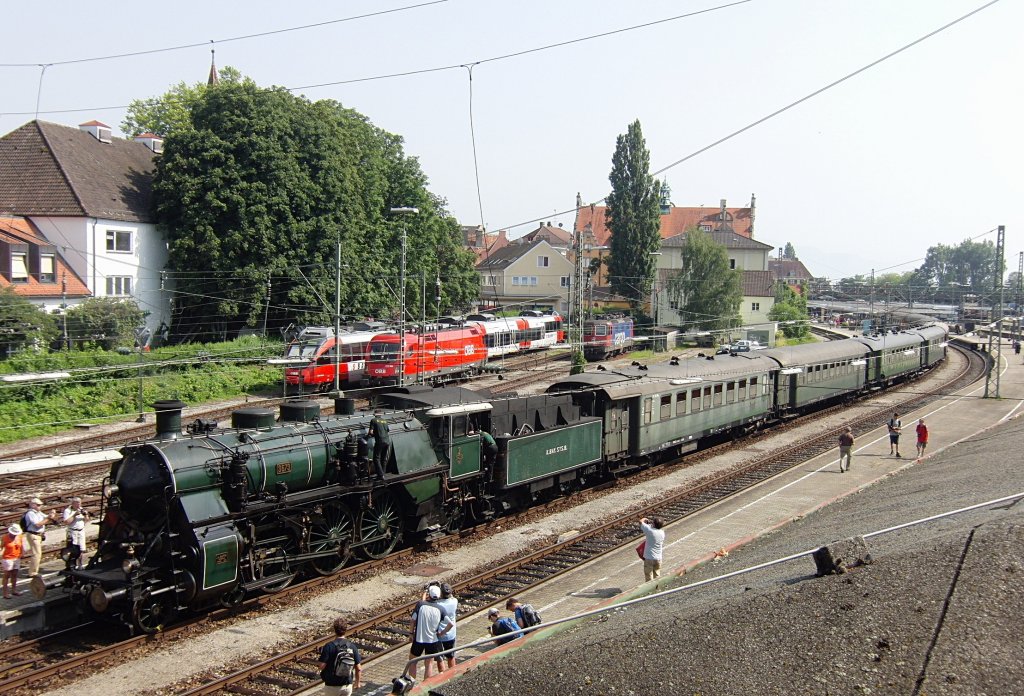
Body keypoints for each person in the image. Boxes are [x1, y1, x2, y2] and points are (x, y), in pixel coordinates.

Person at [408, 583, 453, 680]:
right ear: (439, 595)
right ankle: (425, 685)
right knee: (429, 664)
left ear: (430, 594)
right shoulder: (441, 609)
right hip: (432, 641)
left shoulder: (420, 605)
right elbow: (450, 624)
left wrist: (411, 633)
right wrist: (442, 633)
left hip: (419, 639)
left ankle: (411, 685)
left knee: (412, 662)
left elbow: (412, 621)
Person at [317, 617, 362, 695]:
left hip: (331, 686)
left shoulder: (329, 646)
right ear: (345, 630)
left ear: (334, 630)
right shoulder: (351, 646)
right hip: (347, 685)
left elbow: (321, 666)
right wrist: (357, 683)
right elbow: (358, 668)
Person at [23, 497, 59, 578]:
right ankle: (32, 573)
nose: (40, 507)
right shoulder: (31, 513)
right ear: (33, 505)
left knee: (37, 553)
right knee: (36, 554)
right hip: (33, 535)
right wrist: (49, 518)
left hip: (38, 535)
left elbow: (47, 517)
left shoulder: (38, 512)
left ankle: (34, 570)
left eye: (40, 505)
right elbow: (38, 524)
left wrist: (52, 515)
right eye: (38, 505)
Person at [436, 583, 459, 670]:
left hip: (439, 634)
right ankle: (452, 673)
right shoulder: (454, 601)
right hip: (451, 634)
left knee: (440, 659)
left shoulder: (437, 604)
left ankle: (442, 676)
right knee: (451, 656)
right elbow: (452, 597)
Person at [62, 497, 90, 568]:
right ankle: (71, 564)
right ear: (73, 503)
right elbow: (67, 522)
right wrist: (74, 515)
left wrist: (86, 515)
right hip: (72, 532)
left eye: (79, 503)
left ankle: (80, 564)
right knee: (73, 549)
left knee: (81, 549)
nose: (78, 505)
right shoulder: (67, 511)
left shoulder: (81, 509)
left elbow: (87, 520)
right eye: (77, 503)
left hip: (81, 531)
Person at [639, 516, 666, 581]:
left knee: (649, 577)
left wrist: (645, 519)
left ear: (653, 524)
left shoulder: (650, 531)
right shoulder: (662, 533)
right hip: (658, 558)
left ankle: (649, 589)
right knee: (657, 575)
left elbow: (640, 522)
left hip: (649, 558)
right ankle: (657, 588)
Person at [2, 524, 24, 598]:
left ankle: (14, 590)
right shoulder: (5, 538)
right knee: (7, 575)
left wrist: (22, 552)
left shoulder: (20, 536)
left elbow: (21, 545)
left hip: (16, 558)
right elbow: (1, 547)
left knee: (14, 574)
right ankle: (5, 593)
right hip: (7, 559)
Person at [369, 410, 392, 479]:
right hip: (387, 441)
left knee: (376, 458)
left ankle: (380, 475)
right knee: (384, 458)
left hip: (380, 441)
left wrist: (372, 435)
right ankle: (383, 474)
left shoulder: (373, 420)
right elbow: (388, 430)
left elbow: (370, 432)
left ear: (375, 414)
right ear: (381, 414)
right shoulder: (385, 421)